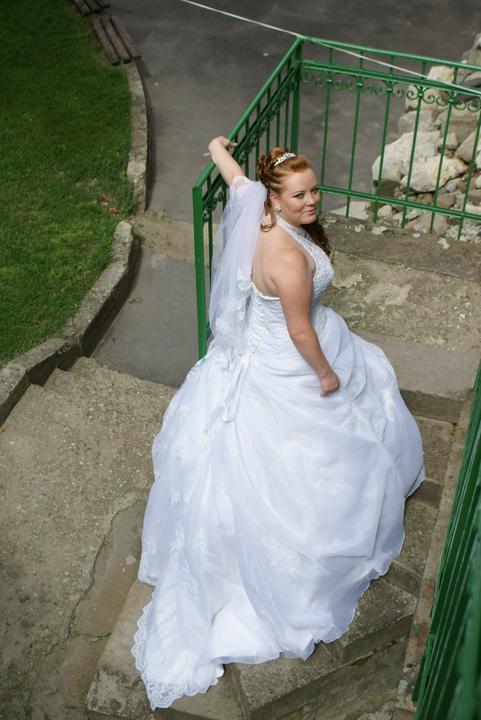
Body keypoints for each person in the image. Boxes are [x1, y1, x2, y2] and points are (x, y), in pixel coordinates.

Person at [130, 135, 426, 711]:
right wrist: (326, 375)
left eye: (313, 190)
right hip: (290, 363)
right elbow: (299, 330)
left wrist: (216, 147)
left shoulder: (254, 209)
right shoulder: (288, 259)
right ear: (276, 198)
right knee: (316, 456)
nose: (311, 201)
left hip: (255, 355)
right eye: (299, 195)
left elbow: (234, 177)